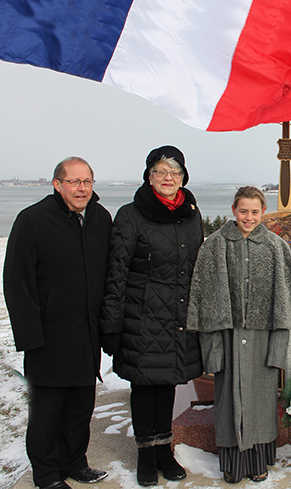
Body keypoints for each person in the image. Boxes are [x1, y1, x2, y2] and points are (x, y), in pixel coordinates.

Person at [186, 186, 291, 484]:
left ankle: (258, 461)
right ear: (233, 210)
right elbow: (204, 301)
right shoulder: (214, 245)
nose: (249, 217)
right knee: (228, 402)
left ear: (263, 212)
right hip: (226, 339)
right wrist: (211, 351)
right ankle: (231, 463)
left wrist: (277, 349)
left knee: (261, 401)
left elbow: (284, 304)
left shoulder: (275, 246)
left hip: (262, 339)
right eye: (243, 211)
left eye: (255, 211)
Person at [3, 157, 112, 489]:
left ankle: (75, 462)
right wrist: (30, 335)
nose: (81, 189)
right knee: (48, 410)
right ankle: (47, 473)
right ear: (57, 184)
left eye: (87, 182)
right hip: (48, 334)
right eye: (74, 182)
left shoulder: (100, 218)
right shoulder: (33, 220)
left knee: (80, 405)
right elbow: (16, 281)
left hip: (86, 332)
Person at [100, 146, 203, 486]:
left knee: (168, 383)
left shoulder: (190, 214)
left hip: (178, 316)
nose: (167, 178)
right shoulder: (130, 216)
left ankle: (164, 450)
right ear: (149, 176)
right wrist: (111, 325)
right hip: (141, 317)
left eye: (174, 172)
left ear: (183, 177)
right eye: (160, 172)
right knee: (145, 386)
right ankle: (146, 453)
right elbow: (116, 274)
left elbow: (197, 268)